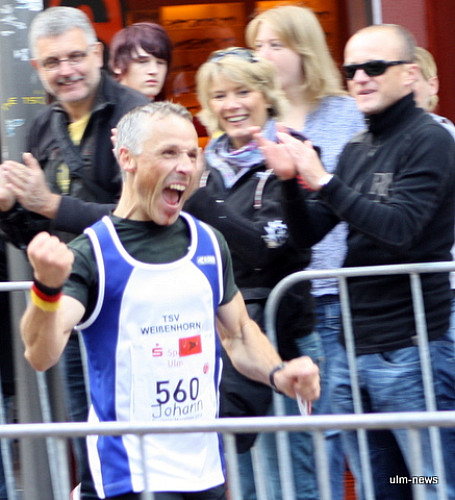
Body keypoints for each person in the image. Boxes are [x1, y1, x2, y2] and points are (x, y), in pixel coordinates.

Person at [19, 101, 320, 500]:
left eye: (192, 154)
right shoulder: (94, 253)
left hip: (203, 470)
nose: (185, 167)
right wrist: (46, 289)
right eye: (169, 153)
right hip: (130, 475)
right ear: (127, 158)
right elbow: (41, 354)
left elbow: (238, 334)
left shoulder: (208, 242)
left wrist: (279, 373)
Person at [255, 24, 455, 500]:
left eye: (374, 67)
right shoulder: (357, 147)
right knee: (381, 487)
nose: (361, 78)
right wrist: (289, 181)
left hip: (413, 346)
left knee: (429, 482)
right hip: (351, 348)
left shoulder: (430, 139)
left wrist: (324, 181)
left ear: (410, 74)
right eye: (352, 70)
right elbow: (308, 234)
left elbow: (400, 230)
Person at [0, 7, 149, 499]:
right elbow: (36, 236)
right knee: (89, 433)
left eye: (74, 57)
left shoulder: (136, 116)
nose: (65, 70)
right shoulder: (41, 127)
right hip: (72, 305)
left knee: (140, 435)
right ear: (37, 69)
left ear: (98, 55)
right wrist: (9, 210)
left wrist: (51, 204)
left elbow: (142, 218)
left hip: (134, 309)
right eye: (51, 62)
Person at [183, 46, 316, 500]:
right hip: (222, 342)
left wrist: (200, 201)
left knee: (292, 480)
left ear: (266, 94)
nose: (232, 105)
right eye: (219, 95)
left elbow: (264, 248)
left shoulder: (293, 151)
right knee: (242, 481)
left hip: (284, 339)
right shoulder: (201, 166)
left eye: (243, 91)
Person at [246, 6, 365, 499]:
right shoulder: (259, 120)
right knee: (305, 435)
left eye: (276, 45)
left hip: (345, 294)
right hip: (284, 304)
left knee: (357, 431)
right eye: (257, 46)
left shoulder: (348, 113)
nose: (264, 56)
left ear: (305, 51)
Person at [108, 22, 172, 101]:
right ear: (117, 65)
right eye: (143, 62)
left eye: (160, 63)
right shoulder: (103, 107)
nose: (154, 70)